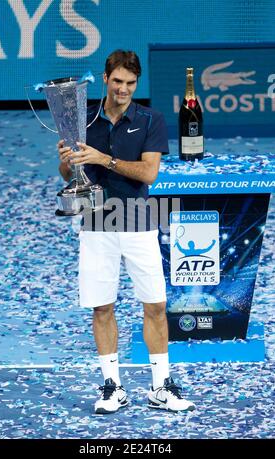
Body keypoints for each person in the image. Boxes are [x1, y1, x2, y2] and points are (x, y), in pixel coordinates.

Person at [57, 50, 195, 414]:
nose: (123, 89)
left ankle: (161, 387)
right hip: (96, 222)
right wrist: (67, 162)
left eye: (131, 83)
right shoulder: (82, 119)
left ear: (137, 83)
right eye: (117, 81)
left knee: (156, 305)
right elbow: (70, 178)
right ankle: (112, 387)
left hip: (138, 222)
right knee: (102, 307)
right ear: (105, 79)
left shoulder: (151, 119)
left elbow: (149, 174)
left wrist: (103, 159)